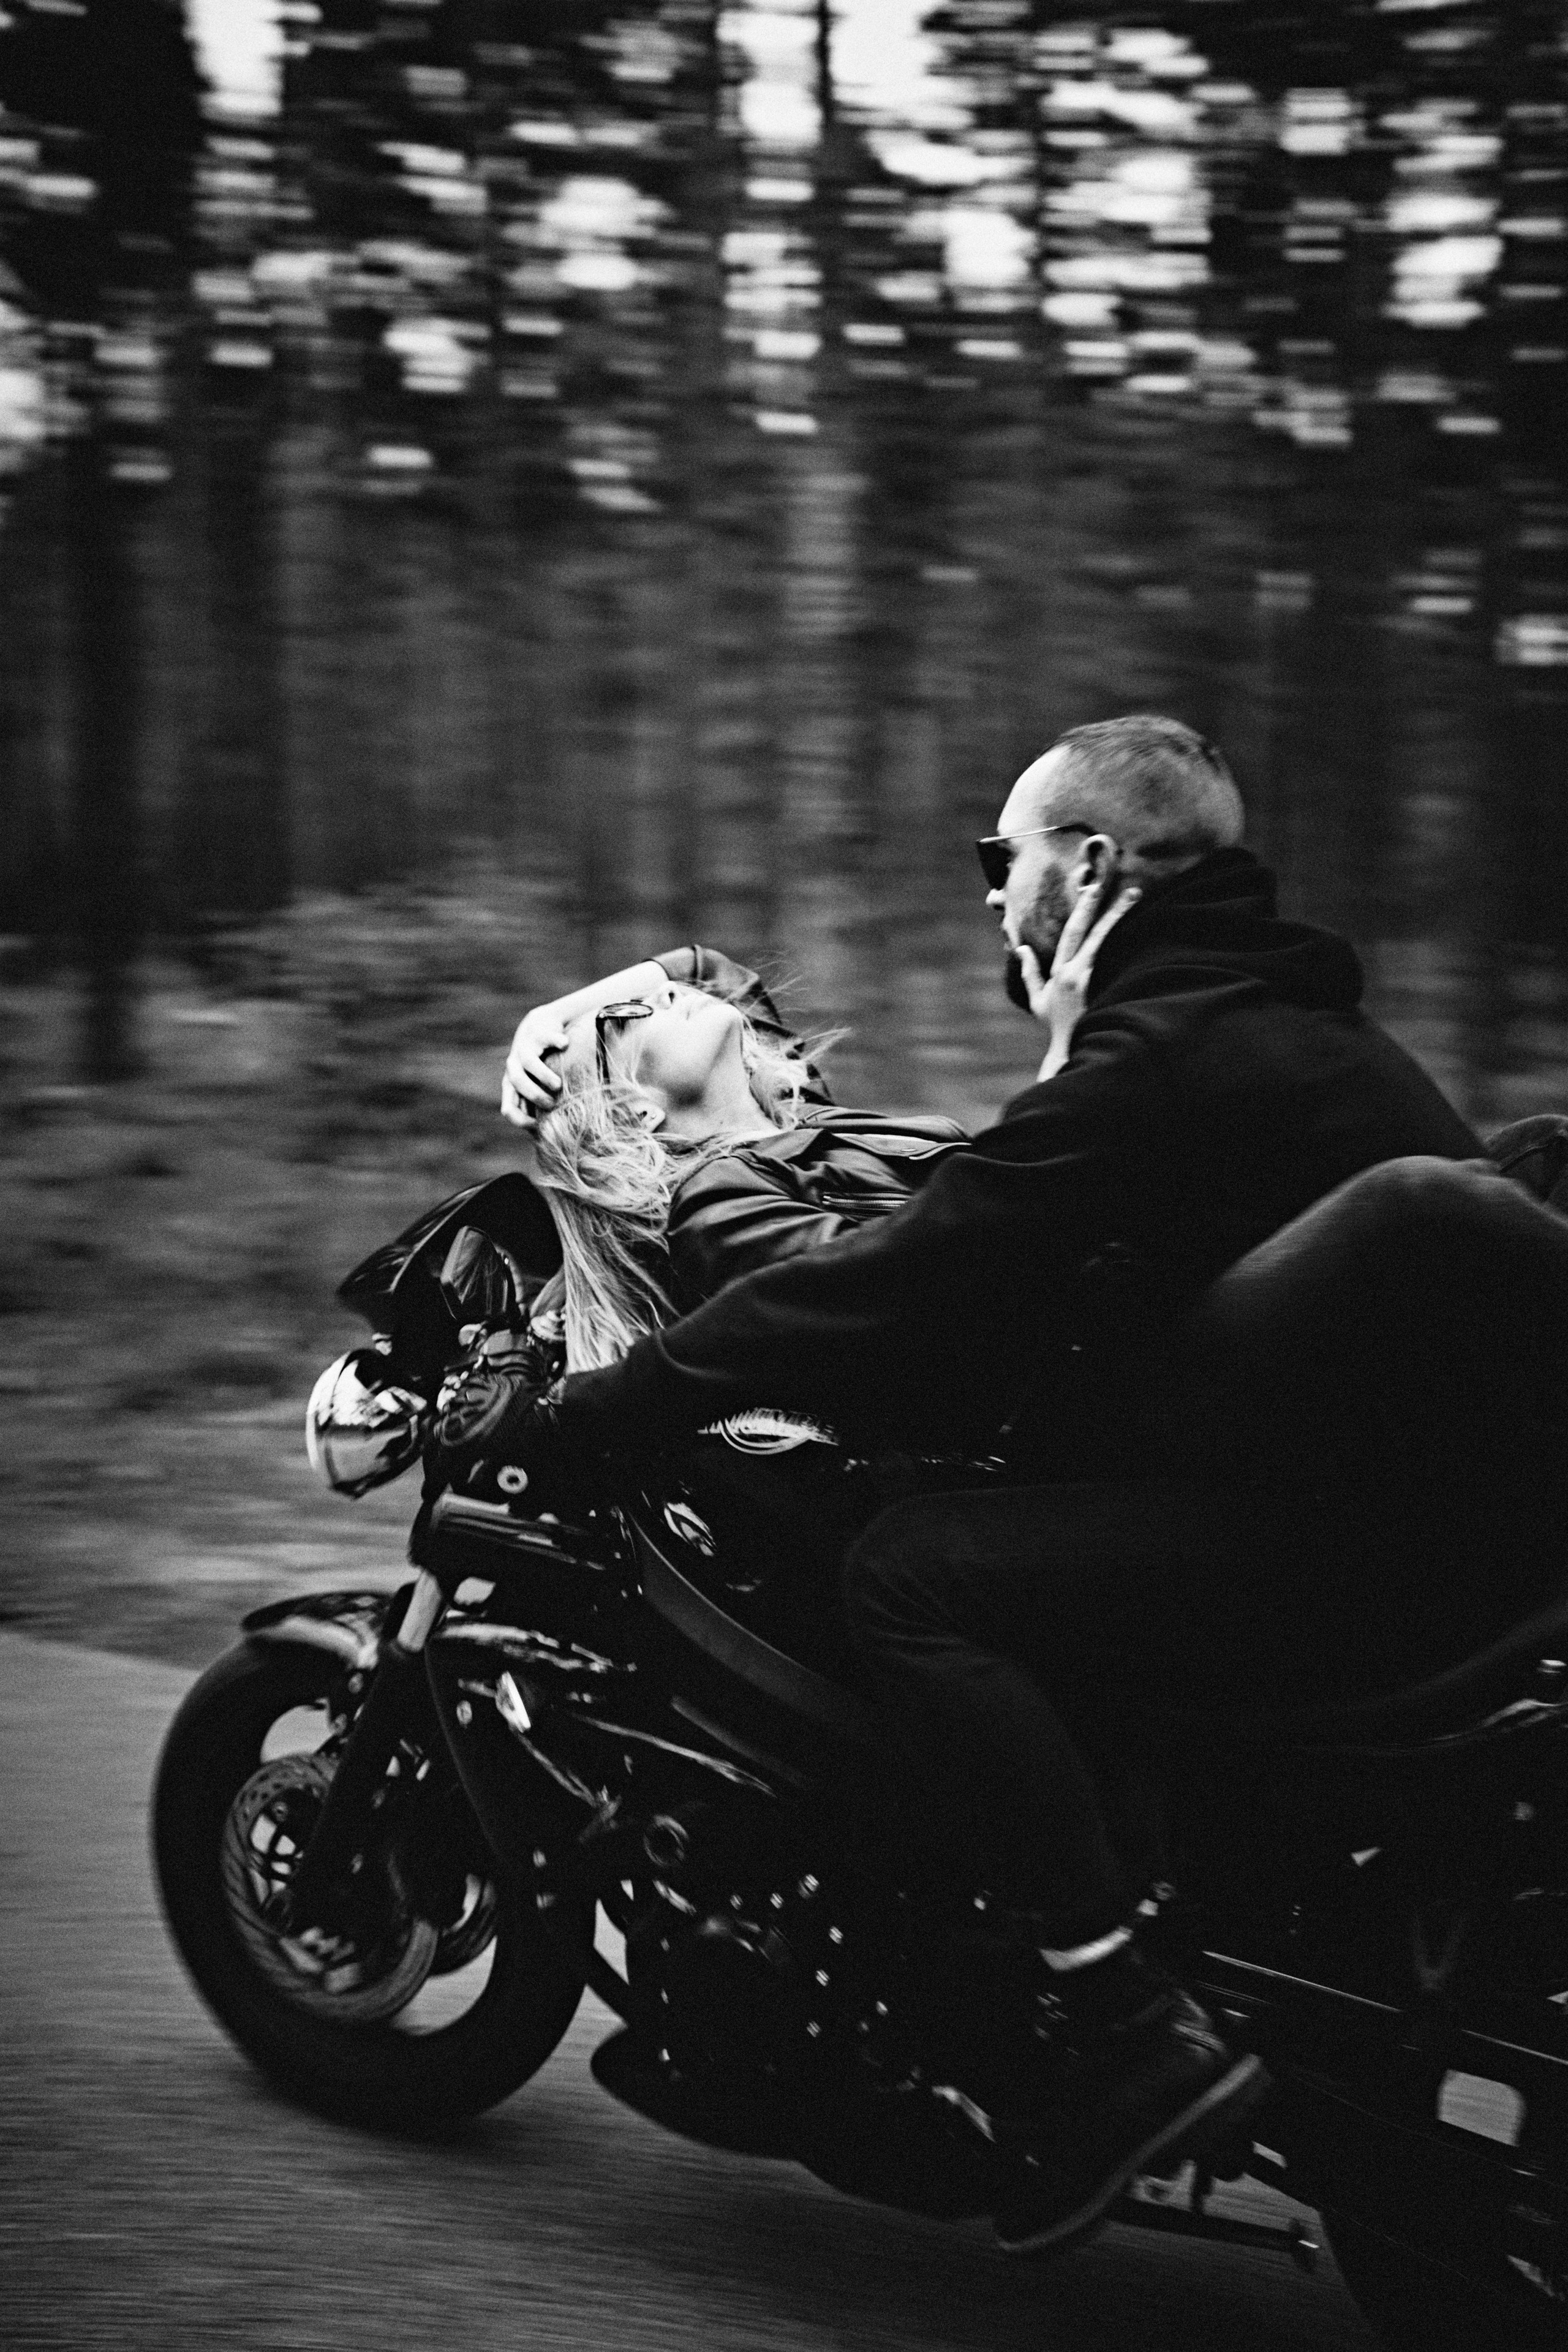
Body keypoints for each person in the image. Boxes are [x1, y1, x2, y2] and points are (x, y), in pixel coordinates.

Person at [458, 714, 1482, 2255]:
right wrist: (582, 1025)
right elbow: (918, 1192)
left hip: (1340, 1545)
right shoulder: (1267, 1019)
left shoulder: (1159, 1051)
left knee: (909, 1578)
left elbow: (911, 1275)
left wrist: (597, 1410)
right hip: (1405, 1510)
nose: (990, 896)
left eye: (1000, 862)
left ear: (1089, 867)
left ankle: (1121, 2023)